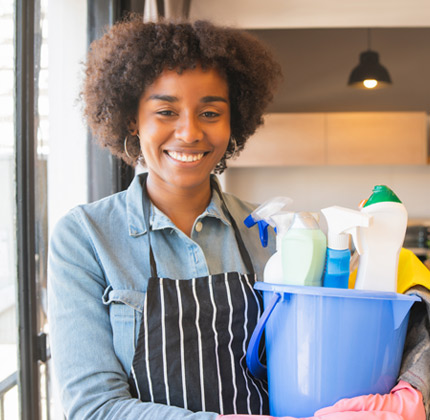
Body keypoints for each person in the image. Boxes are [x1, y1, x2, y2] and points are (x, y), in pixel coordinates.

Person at [47, 15, 427, 420]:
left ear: (234, 121)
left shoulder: (276, 234)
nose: (190, 132)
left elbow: (384, 315)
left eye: (210, 113)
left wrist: (413, 391)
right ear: (131, 119)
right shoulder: (86, 237)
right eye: (166, 112)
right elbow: (94, 407)